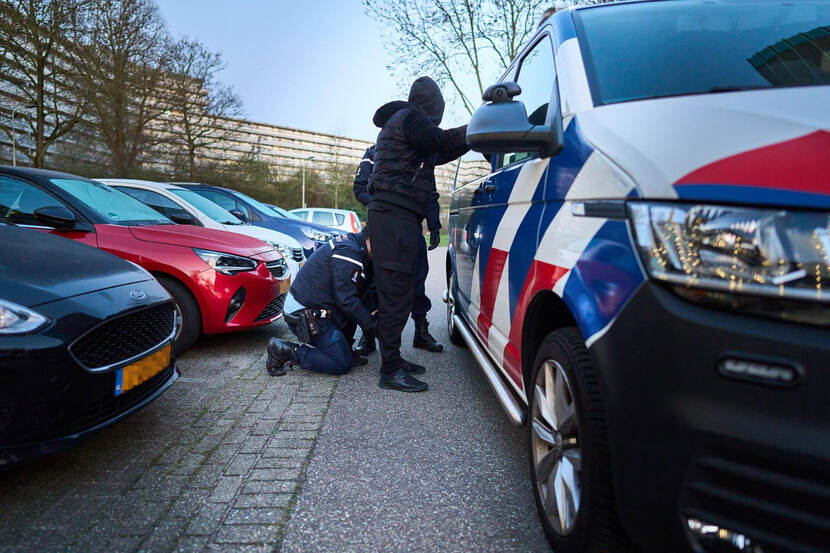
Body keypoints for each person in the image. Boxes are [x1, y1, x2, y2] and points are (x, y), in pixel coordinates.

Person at [367, 76, 469, 392]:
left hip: (401, 218)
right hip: (392, 217)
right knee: (395, 291)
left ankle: (394, 359)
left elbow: (437, 153)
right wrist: (476, 127)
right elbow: (438, 141)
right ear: (430, 106)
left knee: (405, 286)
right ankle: (390, 370)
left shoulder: (407, 126)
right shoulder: (410, 117)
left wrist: (470, 139)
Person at [265, 229, 428, 378]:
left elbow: (361, 294)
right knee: (341, 362)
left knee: (355, 315)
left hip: (323, 306)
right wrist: (373, 327)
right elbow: (347, 300)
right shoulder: (349, 252)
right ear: (375, 240)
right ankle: (284, 350)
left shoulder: (361, 249)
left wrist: (375, 315)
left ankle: (344, 349)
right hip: (304, 313)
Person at [353, 144, 443, 356]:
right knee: (376, 281)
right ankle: (368, 334)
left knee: (417, 279)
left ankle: (421, 330)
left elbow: (430, 193)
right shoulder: (376, 152)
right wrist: (386, 208)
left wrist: (434, 224)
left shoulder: (420, 153)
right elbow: (359, 188)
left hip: (412, 226)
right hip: (384, 226)